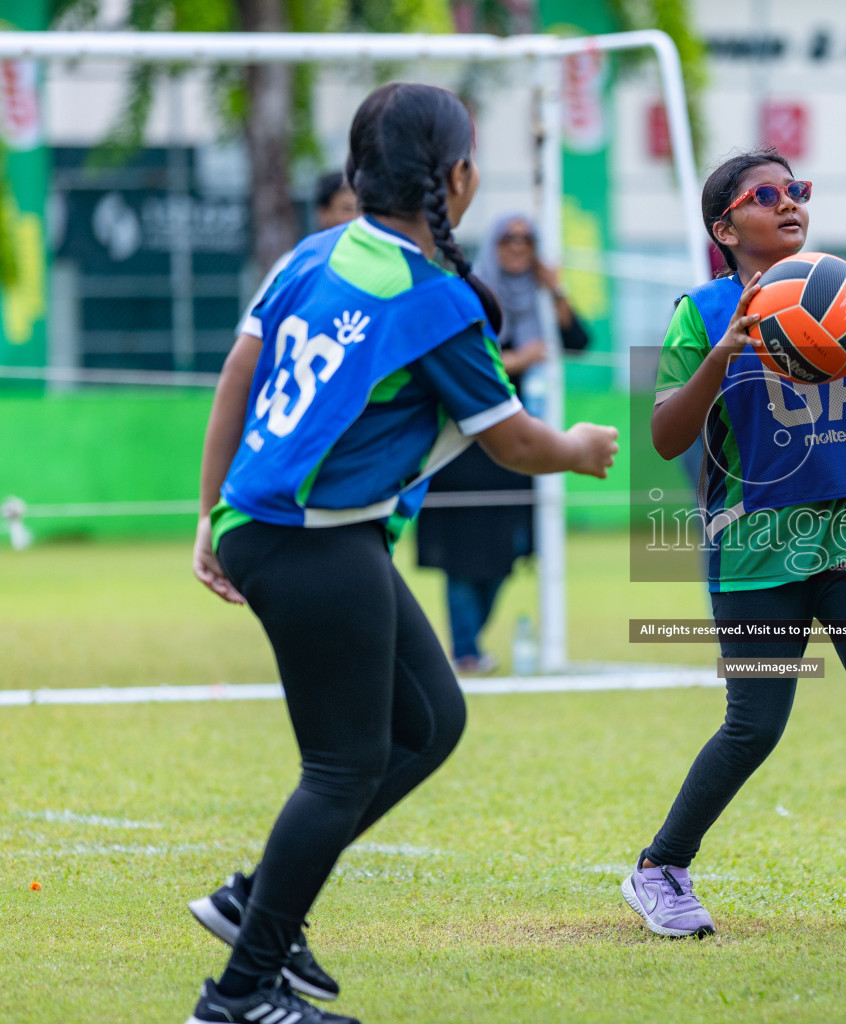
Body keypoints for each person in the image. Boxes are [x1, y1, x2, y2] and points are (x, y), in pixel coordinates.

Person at [184, 82, 619, 1024]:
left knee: (431, 724)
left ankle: (252, 903)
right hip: (316, 545)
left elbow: (239, 373)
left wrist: (209, 511)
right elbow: (514, 442)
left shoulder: (315, 253)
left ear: (358, 173)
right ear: (458, 177)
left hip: (281, 533)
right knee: (343, 767)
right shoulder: (436, 303)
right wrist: (581, 449)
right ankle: (241, 994)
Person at [623, 148, 846, 939]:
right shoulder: (702, 312)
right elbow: (662, 436)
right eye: (768, 194)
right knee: (755, 723)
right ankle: (660, 869)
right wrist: (722, 357)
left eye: (800, 190)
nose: (791, 203)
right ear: (726, 226)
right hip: (755, 544)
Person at [415, 212, 591, 674]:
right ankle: (466, 650)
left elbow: (578, 342)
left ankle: (471, 643)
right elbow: (460, 362)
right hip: (464, 443)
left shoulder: (537, 296)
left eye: (527, 239)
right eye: (508, 238)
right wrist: (519, 360)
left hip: (519, 443)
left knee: (504, 551)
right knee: (459, 553)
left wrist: (555, 289)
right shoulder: (467, 293)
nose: (517, 246)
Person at [239, 170, 359, 330]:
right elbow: (253, 330)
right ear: (323, 213)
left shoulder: (379, 266)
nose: (357, 218)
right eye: (348, 209)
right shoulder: (296, 262)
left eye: (362, 209)